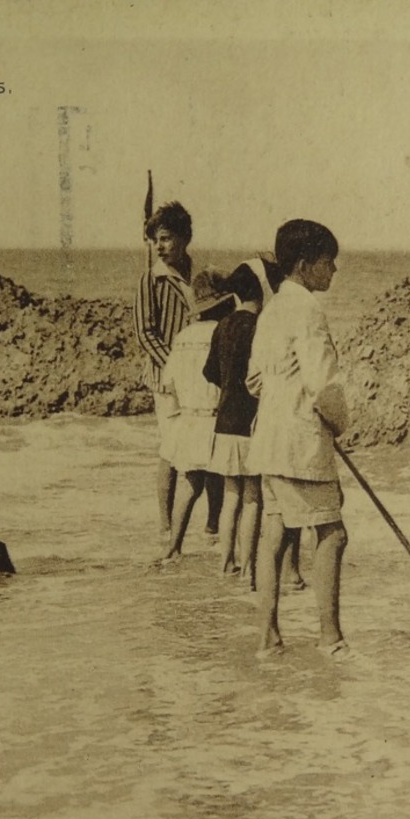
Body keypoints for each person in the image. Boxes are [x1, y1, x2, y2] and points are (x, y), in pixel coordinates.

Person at [246, 219, 349, 657]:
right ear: (305, 266)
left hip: (268, 439)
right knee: (332, 534)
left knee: (277, 534)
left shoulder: (272, 310)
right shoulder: (307, 309)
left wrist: (281, 398)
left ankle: (269, 638)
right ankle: (331, 639)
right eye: (329, 263)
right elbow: (324, 384)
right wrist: (339, 422)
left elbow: (253, 381)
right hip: (300, 442)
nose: (335, 271)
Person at [133, 201, 223, 541]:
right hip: (166, 382)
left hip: (200, 380)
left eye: (167, 238)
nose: (160, 246)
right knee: (172, 451)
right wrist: (176, 367)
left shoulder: (199, 277)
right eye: (156, 240)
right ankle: (166, 526)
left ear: (186, 238)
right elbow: (144, 333)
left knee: (210, 447)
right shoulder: (150, 280)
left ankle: (213, 526)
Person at [159, 270, 231, 560]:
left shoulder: (183, 336)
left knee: (190, 483)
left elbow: (169, 384)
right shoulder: (223, 332)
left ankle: (174, 545)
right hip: (215, 418)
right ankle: (224, 546)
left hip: (188, 419)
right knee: (226, 483)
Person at [204, 262, 266, 582]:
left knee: (230, 497)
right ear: (261, 292)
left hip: (224, 422)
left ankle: (225, 564)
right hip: (252, 422)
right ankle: (249, 568)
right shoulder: (261, 327)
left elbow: (211, 373)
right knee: (253, 497)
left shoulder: (223, 325)